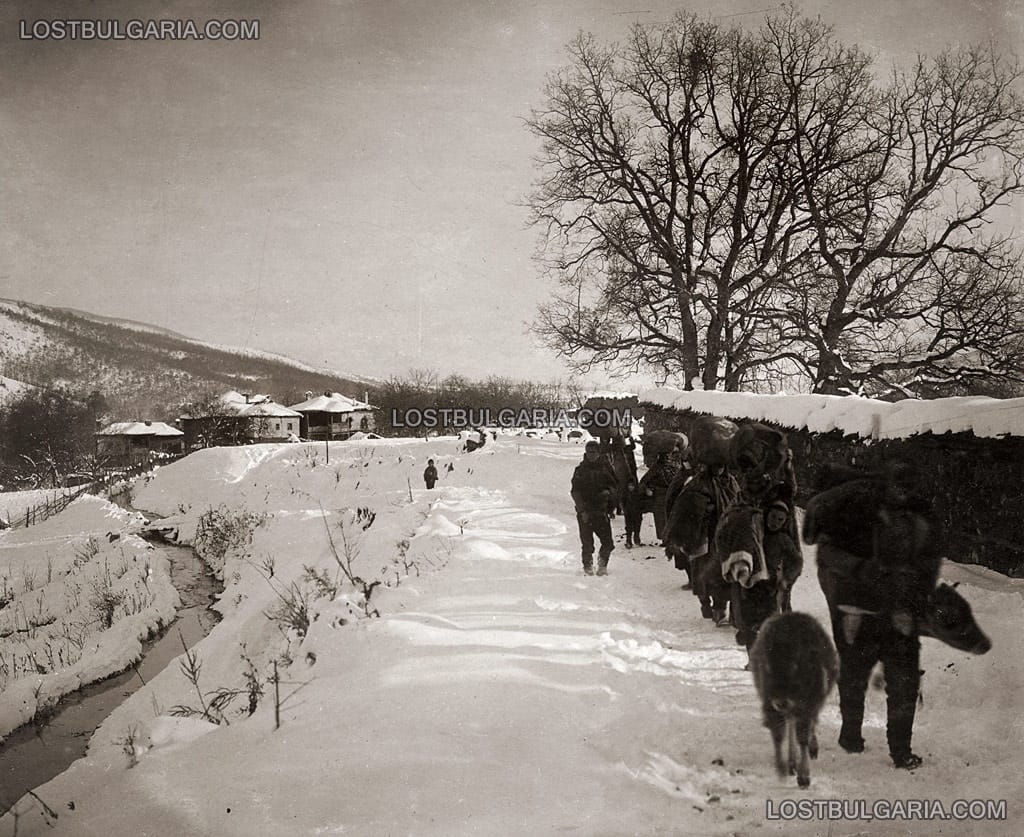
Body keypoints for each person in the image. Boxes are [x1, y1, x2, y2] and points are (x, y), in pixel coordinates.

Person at [803, 463, 941, 770]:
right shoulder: (854, 516)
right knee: (854, 674)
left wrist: (914, 607)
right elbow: (827, 554)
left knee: (903, 681)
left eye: (908, 490)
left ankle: (901, 751)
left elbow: (929, 567)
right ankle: (851, 733)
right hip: (859, 608)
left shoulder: (922, 522)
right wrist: (860, 571)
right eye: (897, 488)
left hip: (900, 611)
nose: (902, 495)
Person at [570, 440, 619, 575]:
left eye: (594, 452)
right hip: (585, 512)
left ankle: (602, 564)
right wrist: (582, 510)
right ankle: (588, 567)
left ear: (599, 453)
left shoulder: (606, 469)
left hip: (601, 511)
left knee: (608, 543)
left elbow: (615, 487)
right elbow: (575, 492)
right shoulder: (580, 470)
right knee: (587, 544)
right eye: (588, 452)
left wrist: (610, 505)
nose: (591, 455)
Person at [638, 451, 680, 544]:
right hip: (659, 496)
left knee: (670, 517)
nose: (666, 458)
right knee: (660, 518)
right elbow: (644, 481)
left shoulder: (673, 467)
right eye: (664, 456)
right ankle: (665, 539)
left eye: (668, 456)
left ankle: (670, 538)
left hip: (671, 495)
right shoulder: (655, 468)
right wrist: (647, 489)